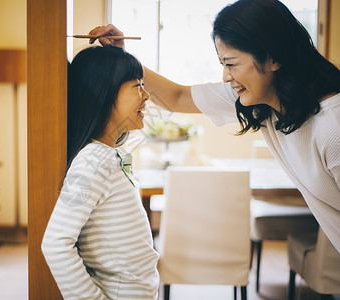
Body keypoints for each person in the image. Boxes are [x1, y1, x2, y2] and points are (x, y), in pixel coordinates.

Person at [89, 0, 340, 252]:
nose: (225, 77)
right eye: (222, 64)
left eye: (231, 64)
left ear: (274, 58)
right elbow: (177, 97)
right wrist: (122, 56)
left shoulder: (333, 127)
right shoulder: (260, 100)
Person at [41, 45, 159, 299]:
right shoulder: (93, 160)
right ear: (104, 93)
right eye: (137, 85)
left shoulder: (107, 155)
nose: (147, 95)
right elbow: (55, 244)